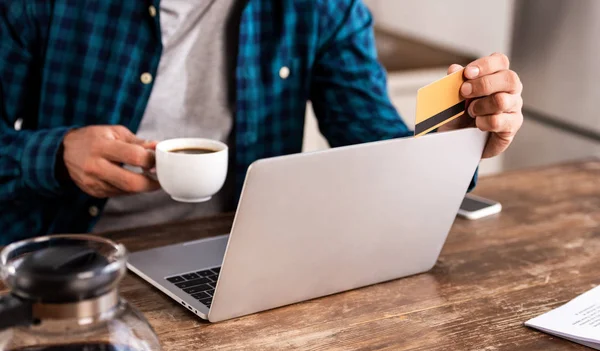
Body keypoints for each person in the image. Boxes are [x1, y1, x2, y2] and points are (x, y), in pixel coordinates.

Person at [0, 0, 523, 245]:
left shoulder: (321, 7)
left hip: (234, 260)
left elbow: (374, 153)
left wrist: (449, 144)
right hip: (68, 258)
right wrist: (55, 155)